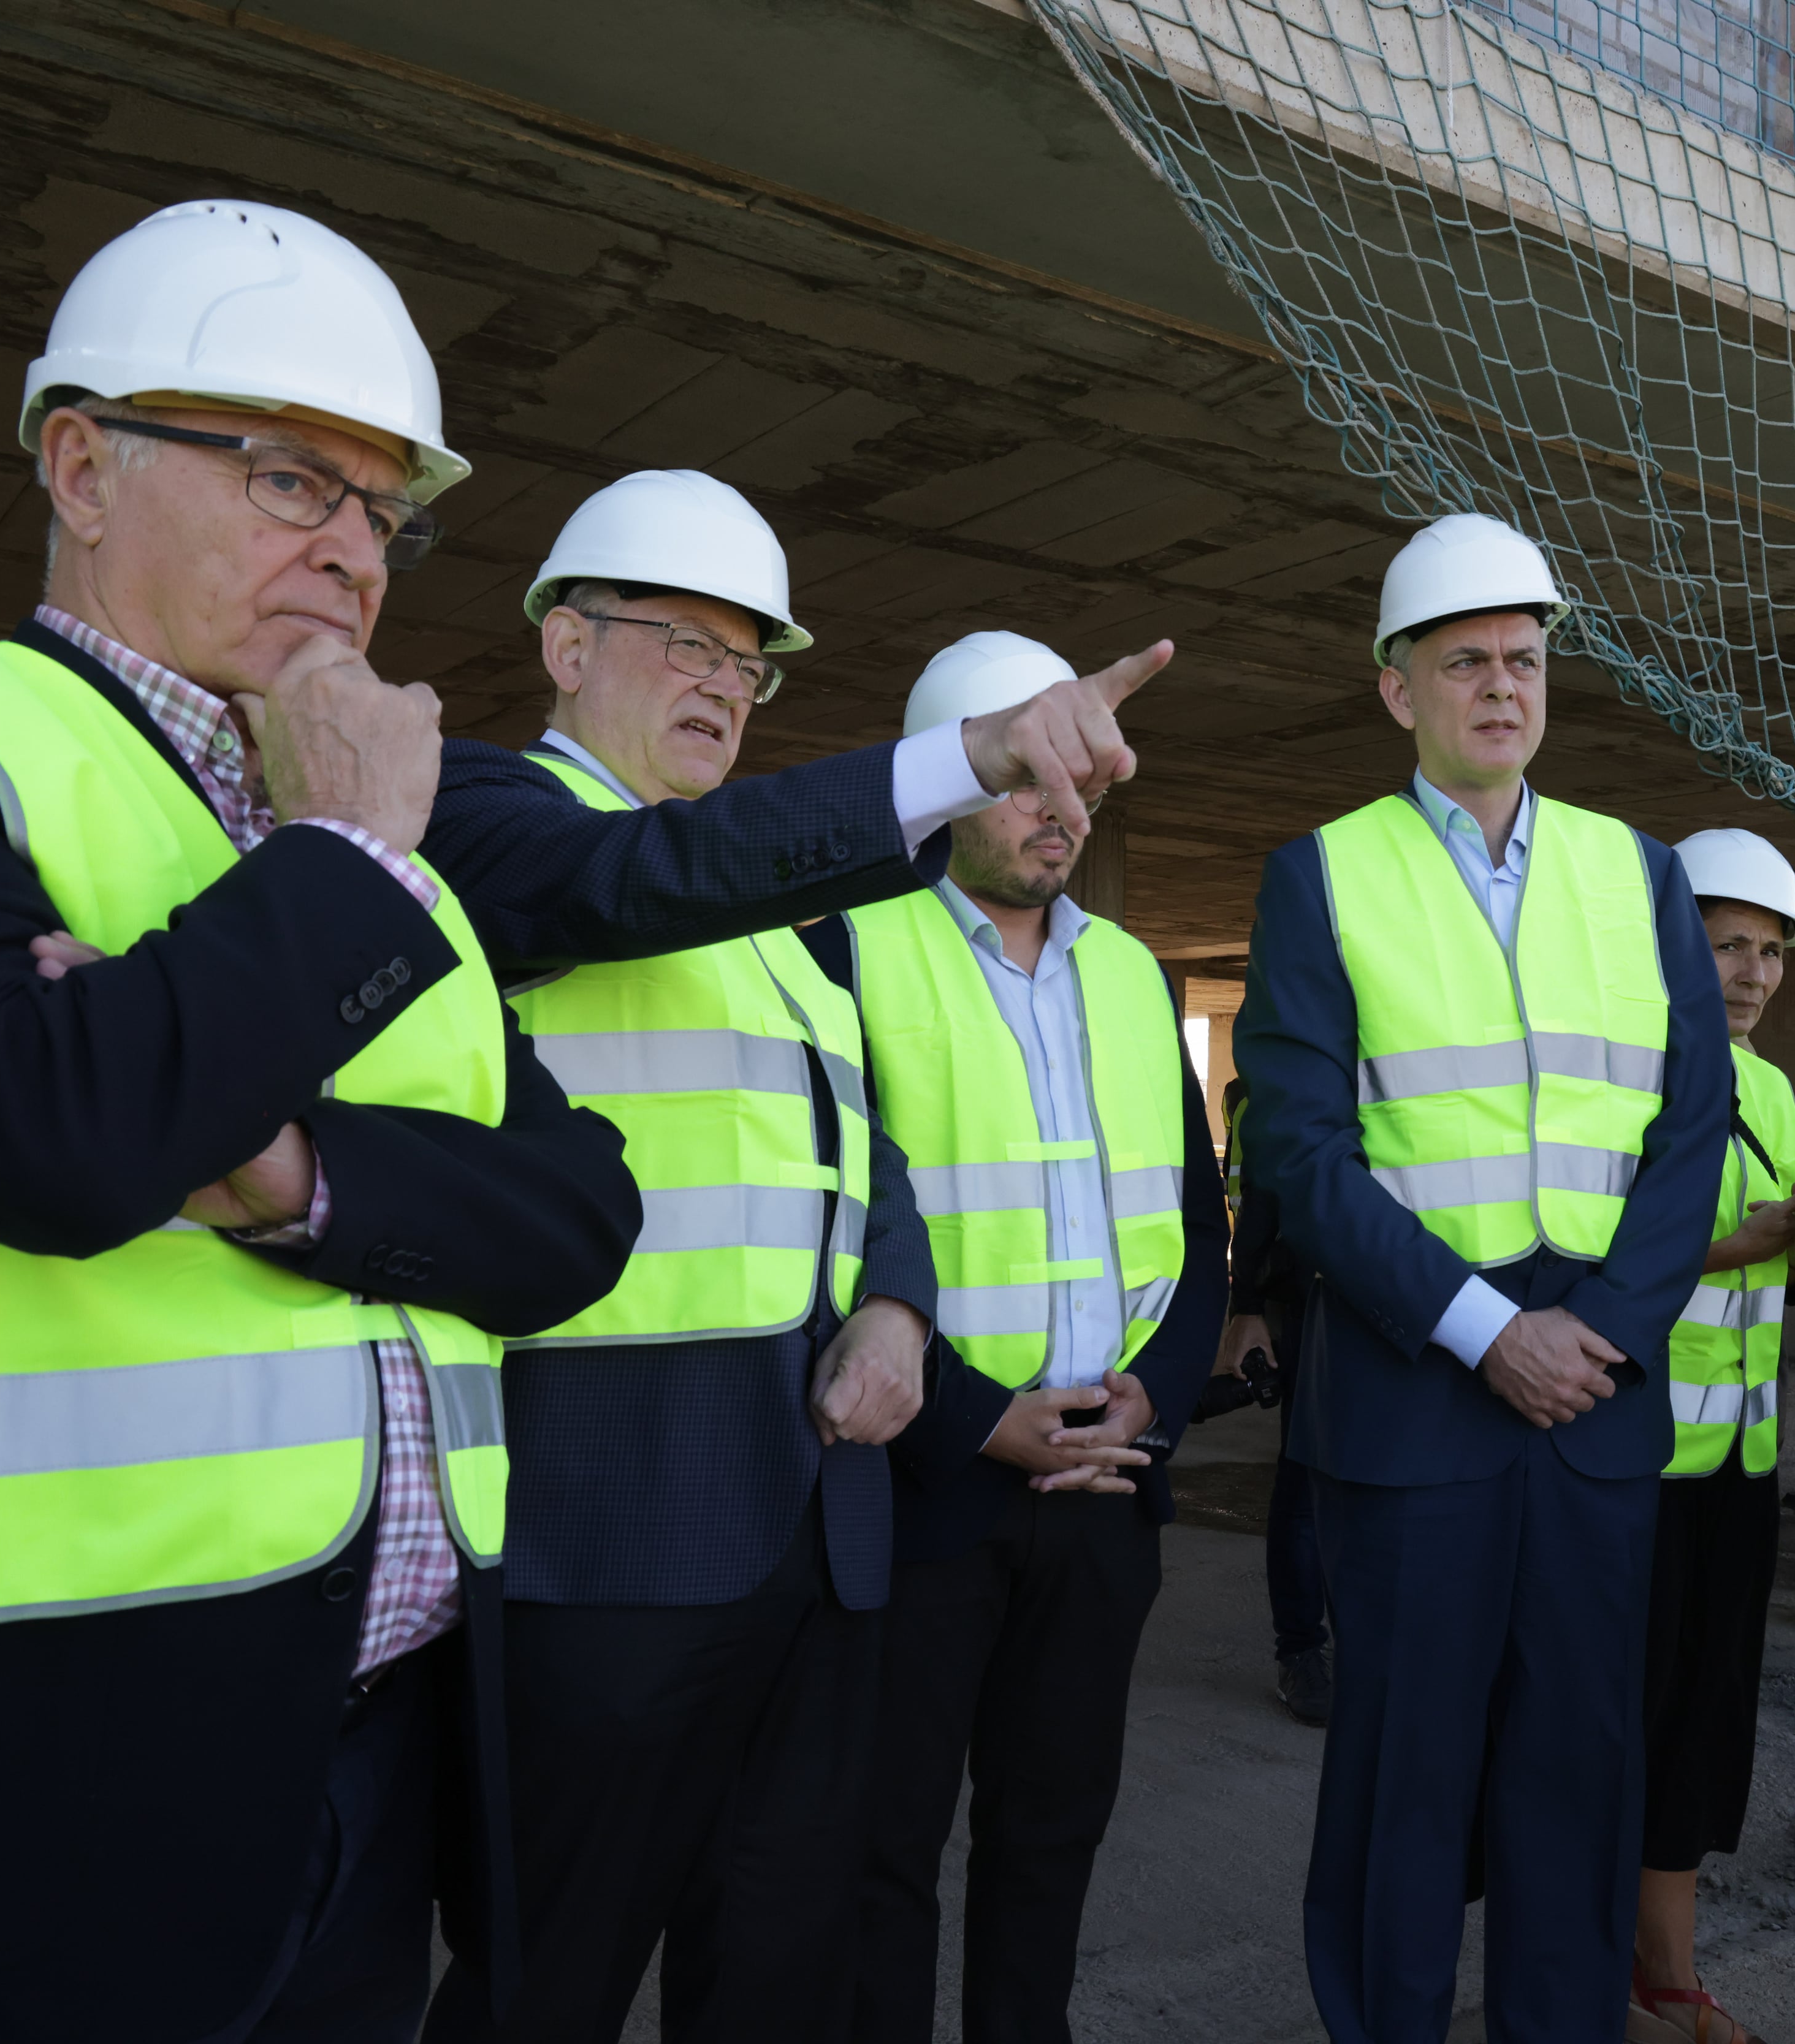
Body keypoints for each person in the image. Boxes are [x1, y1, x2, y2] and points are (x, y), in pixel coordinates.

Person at [0, 200, 645, 2041]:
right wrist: (344, 850)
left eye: (385, 512)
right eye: (289, 480)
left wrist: (289, 1174)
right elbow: (60, 1139)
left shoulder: (377, 870)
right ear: (83, 465)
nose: (355, 553)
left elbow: (576, 1217)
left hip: (368, 1767)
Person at [410, 469, 1149, 2042]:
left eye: (746, 662)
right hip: (606, 1529)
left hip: (815, 1527)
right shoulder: (485, 820)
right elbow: (633, 883)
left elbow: (859, 1146)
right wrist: (966, 762)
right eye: (678, 641)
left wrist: (894, 1297)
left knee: (777, 1967)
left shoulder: (785, 927)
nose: (718, 684)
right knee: (552, 1974)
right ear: (562, 644)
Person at [1237, 514, 1731, 2042]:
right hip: (1412, 1400)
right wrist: (1481, 1327)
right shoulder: (1321, 876)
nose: (1501, 688)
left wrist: (1598, 1328)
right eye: (1466, 662)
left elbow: (1689, 1123)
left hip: (1590, 1399)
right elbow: (1304, 1158)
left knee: (1577, 1767)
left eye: (1523, 660)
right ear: (1399, 691)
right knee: (1405, 1774)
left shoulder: (1636, 873)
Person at [807, 631, 1229, 2044]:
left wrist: (1150, 1403)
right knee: (881, 1850)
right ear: (949, 780)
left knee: (1049, 1842)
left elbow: (1195, 1227)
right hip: (929, 1489)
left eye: (1082, 788)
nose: (1062, 810)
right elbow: (829, 1233)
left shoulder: (1130, 978)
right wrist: (970, 1417)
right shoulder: (849, 948)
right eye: (1027, 778)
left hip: (1104, 1489)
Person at [1628, 827, 1795, 2044]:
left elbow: (1766, 1287)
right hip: (1641, 1465)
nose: (1753, 971)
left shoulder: (1764, 1084)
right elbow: (1588, 1258)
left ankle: (1669, 1971)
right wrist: (1737, 1245)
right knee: (1632, 1716)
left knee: (1705, 1723)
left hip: (1742, 1465)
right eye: (1725, 944)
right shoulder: (1631, 1069)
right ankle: (1620, 1965)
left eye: (1768, 949)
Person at [1217, 1071, 1332, 1725]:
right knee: (1307, 1476)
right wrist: (1247, 1305)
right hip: (1313, 1294)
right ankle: (1301, 1650)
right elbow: (1259, 1189)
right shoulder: (1287, 1080)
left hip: (1413, 1291)